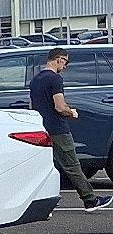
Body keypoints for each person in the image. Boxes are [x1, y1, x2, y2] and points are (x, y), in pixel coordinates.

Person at [30, 47, 113, 211]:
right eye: (65, 62)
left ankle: (44, 201)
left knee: (45, 167)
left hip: (41, 128)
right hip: (58, 129)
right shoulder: (55, 79)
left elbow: (32, 106)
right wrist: (71, 113)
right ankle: (90, 200)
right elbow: (60, 106)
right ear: (58, 59)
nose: (65, 66)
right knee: (72, 166)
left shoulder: (35, 80)